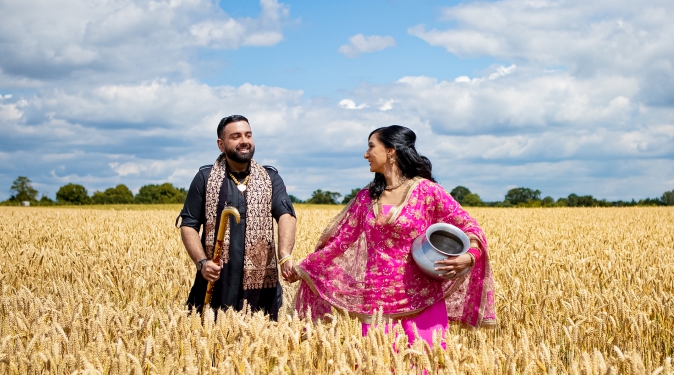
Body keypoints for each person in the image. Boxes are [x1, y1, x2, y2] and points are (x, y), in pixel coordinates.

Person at [288, 125, 495, 345]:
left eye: (371, 147)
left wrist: (469, 256)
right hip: (377, 304)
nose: (366, 154)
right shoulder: (367, 198)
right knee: (380, 371)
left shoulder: (427, 192)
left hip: (423, 300)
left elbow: (471, 227)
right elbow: (339, 244)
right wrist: (304, 267)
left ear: (390, 151)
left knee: (426, 371)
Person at [179, 115, 297, 320]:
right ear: (221, 144)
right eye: (236, 136)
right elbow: (188, 225)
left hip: (261, 287)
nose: (244, 141)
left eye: (248, 135)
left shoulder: (270, 178)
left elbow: (286, 215)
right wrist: (202, 263)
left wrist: (285, 254)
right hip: (217, 281)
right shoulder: (205, 178)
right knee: (210, 344)